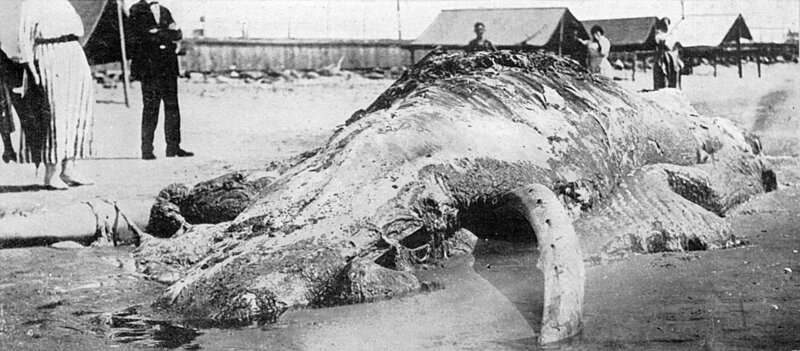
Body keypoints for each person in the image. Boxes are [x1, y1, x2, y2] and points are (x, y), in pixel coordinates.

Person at [17, 0, 94, 189]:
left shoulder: (64, 3)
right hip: (49, 54)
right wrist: (32, 69)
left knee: (79, 110)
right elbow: (24, 38)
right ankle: (51, 173)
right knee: (55, 114)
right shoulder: (32, 3)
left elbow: (77, 30)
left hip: (73, 53)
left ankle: (70, 168)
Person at [129, 0, 193, 160]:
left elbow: (178, 34)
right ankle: (147, 150)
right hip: (149, 68)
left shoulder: (165, 10)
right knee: (151, 107)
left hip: (168, 67)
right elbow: (139, 36)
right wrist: (166, 34)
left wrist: (158, 33)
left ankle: (173, 147)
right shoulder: (137, 10)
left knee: (172, 107)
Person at [653, 17, 682, 90]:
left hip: (672, 56)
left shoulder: (672, 34)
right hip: (662, 56)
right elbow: (659, 41)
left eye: (667, 24)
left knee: (674, 70)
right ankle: (662, 87)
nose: (666, 26)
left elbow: (673, 45)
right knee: (662, 71)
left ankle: (673, 87)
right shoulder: (658, 33)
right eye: (664, 24)